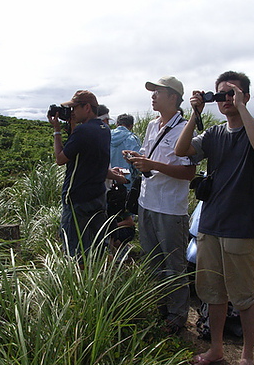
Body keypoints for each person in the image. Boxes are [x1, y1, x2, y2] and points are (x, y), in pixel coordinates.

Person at [175, 71, 254, 365]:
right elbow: (182, 150)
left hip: (241, 228)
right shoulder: (214, 133)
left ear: (244, 95)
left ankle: (247, 356)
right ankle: (217, 349)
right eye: (221, 94)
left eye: (232, 93)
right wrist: (195, 114)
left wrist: (243, 107)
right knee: (213, 293)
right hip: (210, 224)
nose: (226, 99)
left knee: (244, 295)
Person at [124, 75, 196, 334]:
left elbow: (189, 173)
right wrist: (137, 158)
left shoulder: (184, 130)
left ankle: (177, 316)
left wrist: (153, 165)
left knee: (173, 264)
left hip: (170, 208)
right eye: (152, 92)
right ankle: (159, 307)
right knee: (151, 260)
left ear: (174, 98)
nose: (153, 96)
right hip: (147, 203)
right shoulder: (153, 125)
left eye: (158, 92)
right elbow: (149, 157)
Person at [47, 90, 112, 258]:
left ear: (87, 107)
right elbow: (82, 149)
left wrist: (57, 131)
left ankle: (78, 281)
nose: (72, 112)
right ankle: (99, 279)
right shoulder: (105, 129)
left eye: (75, 108)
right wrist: (73, 125)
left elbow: (61, 159)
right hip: (98, 195)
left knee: (75, 251)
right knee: (97, 247)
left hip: (77, 198)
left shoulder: (82, 132)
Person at [110, 113, 142, 189]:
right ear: (131, 126)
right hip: (127, 181)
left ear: (116, 124)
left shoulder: (105, 136)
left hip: (107, 179)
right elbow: (138, 163)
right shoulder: (132, 139)